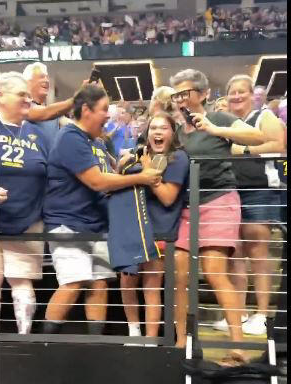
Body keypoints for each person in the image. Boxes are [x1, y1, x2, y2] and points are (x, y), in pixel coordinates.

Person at [42, 84, 162, 334]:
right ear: (86, 109)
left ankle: (95, 346)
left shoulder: (96, 141)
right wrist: (139, 178)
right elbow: (96, 181)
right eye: (104, 109)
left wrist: (126, 167)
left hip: (96, 224)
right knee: (73, 283)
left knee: (99, 285)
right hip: (68, 223)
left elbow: (107, 177)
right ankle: (45, 346)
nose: (108, 115)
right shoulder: (70, 137)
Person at [169, 68, 268, 363]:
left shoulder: (220, 118)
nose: (180, 99)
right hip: (187, 206)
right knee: (179, 274)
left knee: (214, 270)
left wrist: (215, 130)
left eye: (185, 93)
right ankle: (180, 343)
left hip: (219, 201)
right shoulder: (175, 132)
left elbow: (258, 136)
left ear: (203, 94)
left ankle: (238, 346)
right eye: (176, 95)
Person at [213, 74, 285, 335]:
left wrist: (242, 152)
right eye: (232, 92)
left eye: (242, 91)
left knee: (258, 252)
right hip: (230, 191)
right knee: (236, 255)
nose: (236, 96)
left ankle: (263, 314)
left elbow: (279, 145)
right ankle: (239, 312)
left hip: (259, 190)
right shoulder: (226, 122)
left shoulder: (264, 117)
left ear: (253, 95)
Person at [119, 112, 189, 344]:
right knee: (126, 281)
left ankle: (149, 341)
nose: (157, 132)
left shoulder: (178, 158)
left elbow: (169, 197)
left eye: (163, 128)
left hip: (160, 231)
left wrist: (147, 172)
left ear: (173, 133)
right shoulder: (139, 156)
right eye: (153, 128)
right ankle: (134, 333)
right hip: (132, 229)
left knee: (151, 286)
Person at [0, 72, 50, 334]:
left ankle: (24, 341)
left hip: (28, 222)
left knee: (23, 285)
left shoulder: (38, 135)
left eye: (29, 95)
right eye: (21, 95)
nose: (28, 99)